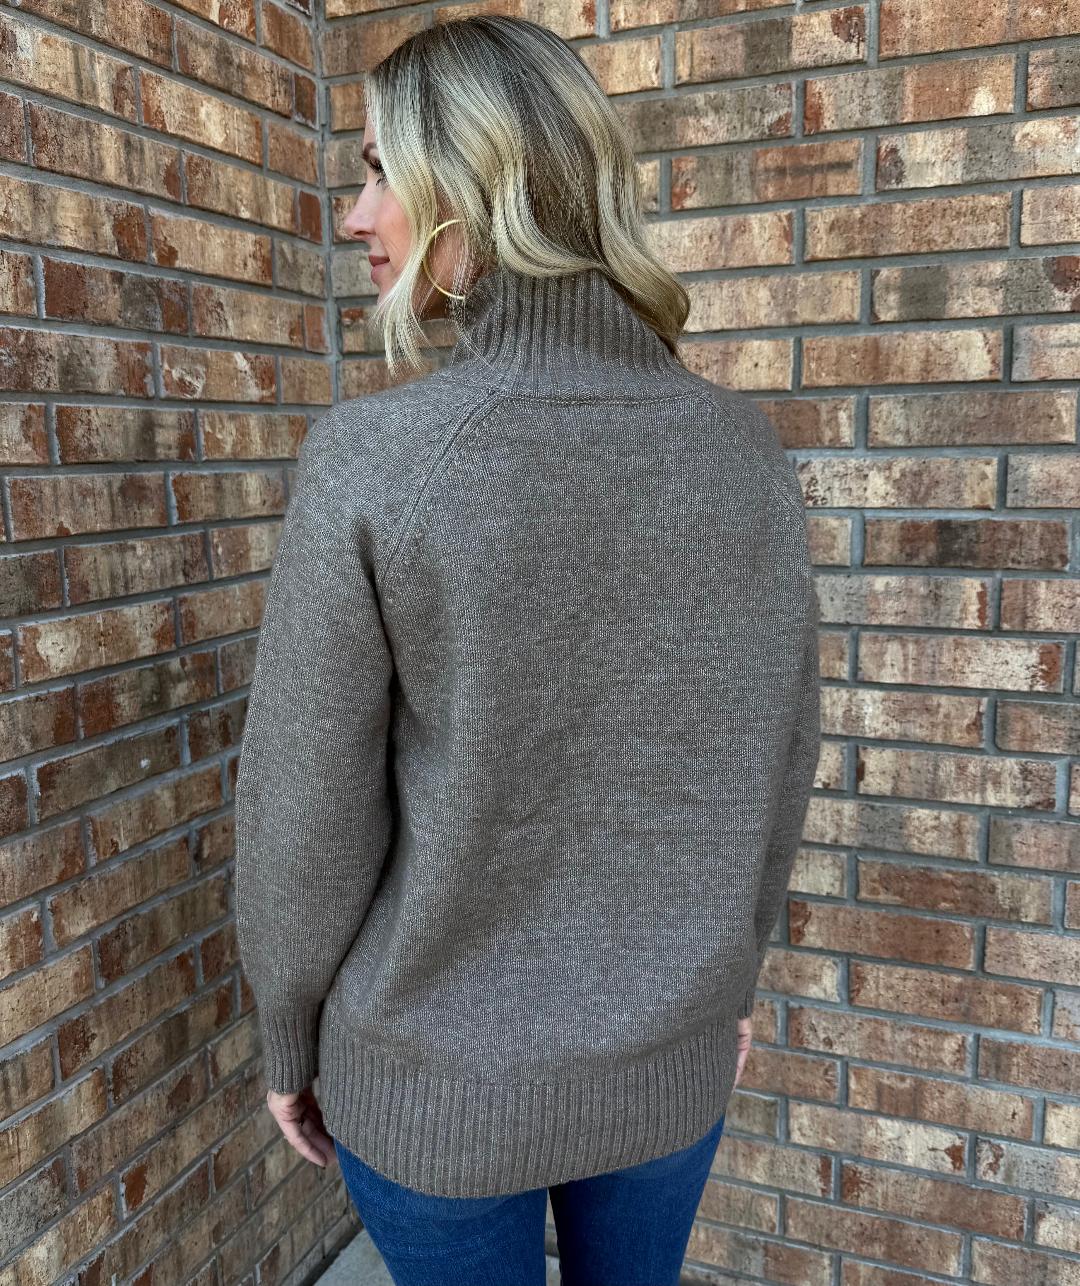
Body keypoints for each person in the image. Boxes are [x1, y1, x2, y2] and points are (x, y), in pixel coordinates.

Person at [233, 14, 821, 1286]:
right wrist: (732, 972)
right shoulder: (744, 455)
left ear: (471, 191)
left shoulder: (378, 461)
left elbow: (304, 810)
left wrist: (288, 1032)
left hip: (435, 1082)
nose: (356, 216)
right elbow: (779, 756)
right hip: (668, 1059)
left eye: (378, 172)